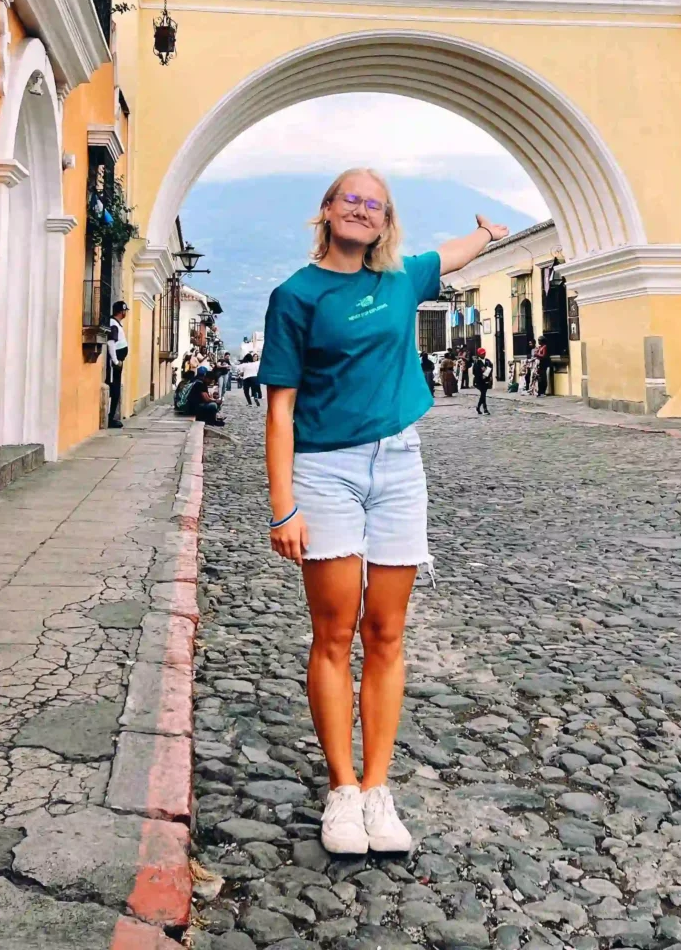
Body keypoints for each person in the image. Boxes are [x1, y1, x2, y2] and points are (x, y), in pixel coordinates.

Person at [259, 169, 508, 857]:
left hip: (399, 466)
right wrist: (285, 507)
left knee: (388, 631)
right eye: (352, 199)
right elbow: (279, 409)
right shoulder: (296, 297)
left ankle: (377, 787)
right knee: (335, 631)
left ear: (385, 219)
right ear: (328, 210)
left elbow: (450, 255)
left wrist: (486, 235)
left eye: (376, 204)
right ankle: (341, 790)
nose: (362, 210)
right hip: (325, 469)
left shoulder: (402, 278)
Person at [106, 300, 129, 428]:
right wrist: (115, 361)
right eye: (125, 311)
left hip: (118, 362)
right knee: (114, 390)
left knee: (116, 390)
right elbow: (111, 343)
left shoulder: (116, 324)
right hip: (115, 364)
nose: (125, 313)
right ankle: (110, 418)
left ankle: (112, 417)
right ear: (121, 311)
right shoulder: (113, 324)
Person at [472, 347, 493, 415]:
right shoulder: (477, 362)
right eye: (482, 354)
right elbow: (474, 372)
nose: (483, 355)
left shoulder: (487, 361)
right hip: (479, 381)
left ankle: (479, 408)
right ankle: (484, 408)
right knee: (483, 394)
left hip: (486, 380)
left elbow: (490, 368)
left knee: (483, 394)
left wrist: (489, 376)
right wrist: (481, 375)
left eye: (484, 353)